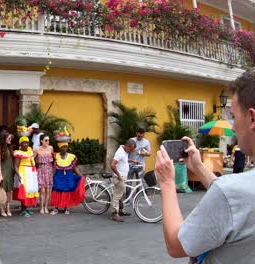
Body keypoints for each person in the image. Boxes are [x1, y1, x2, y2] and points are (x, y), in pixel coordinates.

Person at [155, 68, 255, 264]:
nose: (233, 126)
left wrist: (167, 182)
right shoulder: (236, 191)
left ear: (252, 118)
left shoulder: (233, 191)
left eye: (234, 116)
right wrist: (198, 167)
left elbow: (176, 245)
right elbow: (234, 202)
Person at [50, 141, 85, 215]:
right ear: (60, 148)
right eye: (63, 147)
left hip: (68, 176)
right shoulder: (56, 156)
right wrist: (52, 176)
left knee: (67, 191)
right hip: (59, 176)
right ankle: (56, 208)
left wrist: (80, 175)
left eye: (66, 147)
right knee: (57, 190)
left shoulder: (71, 157)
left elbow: (74, 168)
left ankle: (66, 208)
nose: (64, 148)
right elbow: (54, 168)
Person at [109, 139, 137, 222]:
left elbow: (123, 160)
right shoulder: (120, 152)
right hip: (119, 177)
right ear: (127, 146)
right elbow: (113, 165)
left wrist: (132, 160)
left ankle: (120, 211)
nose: (131, 151)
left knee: (122, 194)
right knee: (117, 195)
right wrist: (119, 176)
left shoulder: (125, 152)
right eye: (131, 150)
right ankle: (114, 214)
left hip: (123, 176)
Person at [13, 136, 39, 217]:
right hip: (23, 172)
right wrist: (19, 175)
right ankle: (23, 209)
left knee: (28, 190)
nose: (26, 144)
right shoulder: (19, 153)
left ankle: (26, 208)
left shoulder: (30, 151)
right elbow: (16, 166)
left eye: (27, 142)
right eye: (24, 142)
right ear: (21, 144)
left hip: (30, 173)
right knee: (23, 191)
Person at [0, 132, 15, 217]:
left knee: (9, 190)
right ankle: (2, 208)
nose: (10, 140)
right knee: (2, 190)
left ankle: (8, 207)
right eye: (9, 138)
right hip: (3, 171)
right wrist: (0, 174)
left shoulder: (9, 147)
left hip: (10, 171)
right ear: (4, 138)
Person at [34, 134, 54, 214]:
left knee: (48, 190)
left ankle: (46, 207)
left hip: (49, 170)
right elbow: (32, 159)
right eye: (46, 140)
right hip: (41, 170)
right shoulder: (37, 149)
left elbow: (54, 158)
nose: (47, 142)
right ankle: (41, 207)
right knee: (42, 190)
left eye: (48, 140)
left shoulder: (51, 148)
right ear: (41, 141)